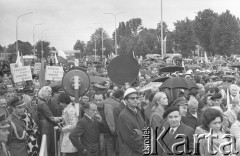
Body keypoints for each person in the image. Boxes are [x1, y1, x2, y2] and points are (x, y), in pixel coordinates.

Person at [118, 88, 146, 156]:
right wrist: (143, 147)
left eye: (137, 98)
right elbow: (130, 138)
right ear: (126, 101)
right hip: (130, 152)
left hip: (139, 149)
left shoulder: (138, 112)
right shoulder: (123, 116)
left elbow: (144, 129)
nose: (135, 100)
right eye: (132, 98)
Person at [37, 86, 62, 155]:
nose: (50, 95)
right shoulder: (43, 104)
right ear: (44, 93)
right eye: (49, 93)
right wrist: (62, 118)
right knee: (47, 144)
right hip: (46, 125)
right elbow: (52, 118)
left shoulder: (42, 102)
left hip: (46, 124)